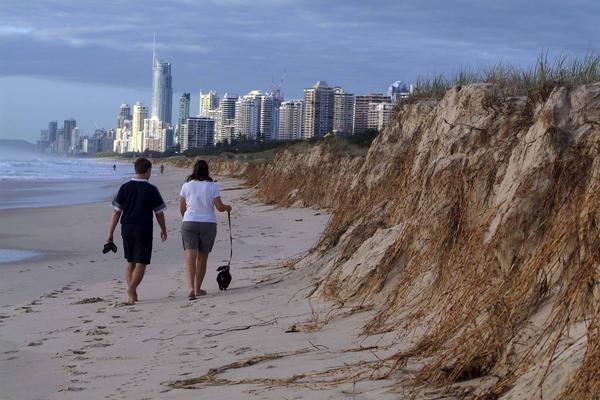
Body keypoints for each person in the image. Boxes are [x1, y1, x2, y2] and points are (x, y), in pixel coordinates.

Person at [106, 157, 168, 305]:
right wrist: (163, 229)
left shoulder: (124, 187)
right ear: (148, 171)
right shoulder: (152, 189)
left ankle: (131, 295)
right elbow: (159, 212)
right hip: (144, 228)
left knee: (130, 261)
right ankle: (132, 289)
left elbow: (116, 212)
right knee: (142, 262)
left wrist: (110, 233)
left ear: (135, 170)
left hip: (126, 227)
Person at [180, 159, 232, 300]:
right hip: (208, 224)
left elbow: (182, 209)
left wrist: (189, 218)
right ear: (207, 171)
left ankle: (190, 287)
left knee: (190, 257)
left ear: (194, 171)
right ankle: (197, 289)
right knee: (202, 258)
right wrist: (228, 208)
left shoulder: (186, 186)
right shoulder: (212, 186)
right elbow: (220, 207)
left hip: (189, 222)